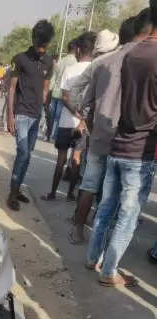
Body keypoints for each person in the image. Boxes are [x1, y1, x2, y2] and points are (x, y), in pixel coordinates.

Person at [86, 0, 157, 288]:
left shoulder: (130, 54)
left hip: (119, 144)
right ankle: (109, 272)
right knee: (127, 216)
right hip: (141, 151)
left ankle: (93, 258)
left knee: (105, 208)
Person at [69, 12, 153, 244]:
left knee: (89, 184)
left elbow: (75, 91)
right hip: (127, 141)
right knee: (112, 194)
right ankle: (100, 240)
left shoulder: (101, 62)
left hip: (100, 135)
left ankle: (77, 229)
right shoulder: (145, 61)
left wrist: (85, 116)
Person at [41, 32, 96, 203]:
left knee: (61, 159)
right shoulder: (96, 70)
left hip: (66, 122)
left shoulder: (70, 69)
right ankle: (71, 194)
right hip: (84, 124)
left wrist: (75, 112)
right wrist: (83, 117)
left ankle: (52, 193)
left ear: (78, 50)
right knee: (76, 159)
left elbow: (64, 97)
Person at [7, 20, 55, 211]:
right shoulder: (20, 59)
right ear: (33, 38)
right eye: (39, 43)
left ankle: (17, 189)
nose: (41, 48)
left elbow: (45, 90)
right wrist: (9, 116)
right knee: (23, 153)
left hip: (37, 116)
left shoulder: (49, 61)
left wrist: (46, 115)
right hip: (21, 115)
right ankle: (12, 193)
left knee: (28, 156)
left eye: (45, 45)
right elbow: (12, 89)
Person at [47, 40, 77, 142]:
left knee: (51, 115)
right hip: (64, 94)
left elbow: (54, 78)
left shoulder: (61, 61)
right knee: (58, 117)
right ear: (76, 49)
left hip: (55, 92)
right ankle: (54, 136)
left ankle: (48, 133)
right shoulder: (75, 62)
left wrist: (49, 91)